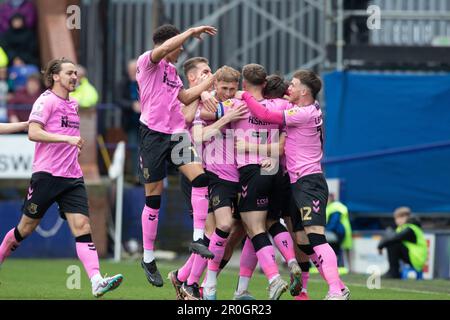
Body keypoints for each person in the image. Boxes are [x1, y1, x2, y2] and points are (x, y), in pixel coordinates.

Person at [0, 58, 123, 297]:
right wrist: (66, 139)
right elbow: (33, 133)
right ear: (55, 76)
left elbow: (62, 131)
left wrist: (71, 146)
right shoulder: (46, 100)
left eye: (76, 73)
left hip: (72, 177)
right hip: (46, 175)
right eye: (69, 73)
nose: (74, 76)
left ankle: (96, 280)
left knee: (83, 226)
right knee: (25, 228)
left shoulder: (74, 104)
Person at [237, 69, 350, 300]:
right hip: (295, 180)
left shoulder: (305, 112)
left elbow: (265, 114)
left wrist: (244, 95)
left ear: (305, 91)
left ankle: (336, 290)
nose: (290, 86)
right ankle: (321, 288)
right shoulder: (306, 108)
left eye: (294, 84)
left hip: (310, 181)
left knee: (315, 237)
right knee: (301, 241)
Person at [136, 24, 219, 288]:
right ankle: (148, 258)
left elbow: (183, 97)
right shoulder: (148, 62)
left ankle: (198, 238)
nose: (182, 49)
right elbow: (164, 49)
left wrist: (212, 79)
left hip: (176, 134)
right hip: (152, 134)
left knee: (200, 179)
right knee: (154, 197)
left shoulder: (172, 72)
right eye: (179, 44)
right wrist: (191, 31)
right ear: (169, 42)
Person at [230, 63, 290, 300]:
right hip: (275, 169)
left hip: (251, 171)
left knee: (253, 228)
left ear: (244, 84)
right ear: (265, 83)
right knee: (268, 224)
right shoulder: (280, 105)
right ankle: (291, 261)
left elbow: (204, 114)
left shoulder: (238, 104)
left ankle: (274, 278)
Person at [378, 206, 427, 279]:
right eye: (396, 218)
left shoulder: (410, 228)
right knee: (392, 241)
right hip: (412, 257)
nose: (397, 221)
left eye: (399, 218)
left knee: (393, 244)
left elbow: (394, 238)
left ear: (406, 217)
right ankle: (394, 271)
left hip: (416, 259)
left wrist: (380, 246)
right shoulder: (402, 228)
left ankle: (393, 272)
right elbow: (389, 237)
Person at [326, 193, 353, 267]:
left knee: (337, 248)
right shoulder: (334, 206)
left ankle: (341, 266)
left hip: (339, 231)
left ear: (331, 198)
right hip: (342, 231)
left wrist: (325, 230)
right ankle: (347, 268)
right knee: (344, 250)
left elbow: (334, 221)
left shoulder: (335, 207)